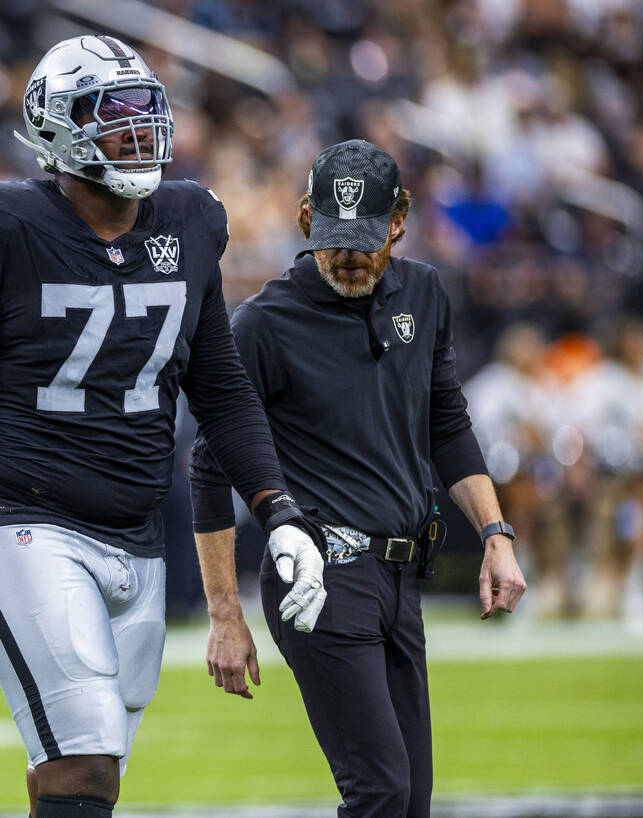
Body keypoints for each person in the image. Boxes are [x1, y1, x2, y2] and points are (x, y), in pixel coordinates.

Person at [0, 35, 326, 818]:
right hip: (14, 514)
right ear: (57, 128)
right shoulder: (2, 223)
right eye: (113, 115)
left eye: (145, 112)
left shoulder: (192, 218)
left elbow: (223, 391)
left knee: (78, 764)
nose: (137, 132)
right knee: (86, 755)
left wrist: (278, 508)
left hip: (134, 529)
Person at [191, 139, 528, 818]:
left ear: (400, 218)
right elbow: (207, 464)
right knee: (380, 790)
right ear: (306, 218)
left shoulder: (426, 294)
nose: (348, 254)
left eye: (366, 238)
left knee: (411, 802)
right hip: (320, 573)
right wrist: (225, 614)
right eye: (335, 237)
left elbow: (447, 426)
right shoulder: (261, 325)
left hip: (402, 575)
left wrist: (495, 533)